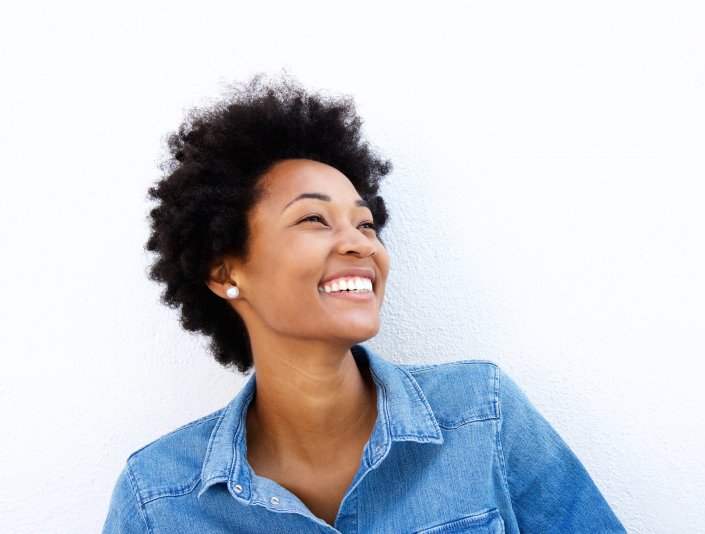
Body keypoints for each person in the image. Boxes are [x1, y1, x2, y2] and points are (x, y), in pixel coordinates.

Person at [103, 77, 625, 533]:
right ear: (225, 271)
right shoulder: (158, 499)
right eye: (314, 219)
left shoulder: (481, 413)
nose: (361, 244)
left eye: (366, 224)